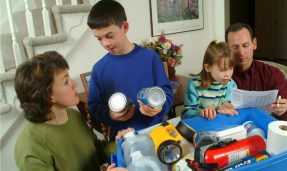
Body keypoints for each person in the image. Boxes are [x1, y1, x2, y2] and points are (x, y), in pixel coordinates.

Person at [87, 0, 173, 141]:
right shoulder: (99, 69)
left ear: (125, 26)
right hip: (123, 138)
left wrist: (159, 107)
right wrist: (110, 114)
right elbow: (94, 106)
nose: (105, 43)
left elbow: (166, 92)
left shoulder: (150, 58)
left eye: (109, 36)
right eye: (99, 38)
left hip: (154, 134)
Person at [14, 51, 112, 171]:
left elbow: (98, 153)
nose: (74, 84)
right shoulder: (30, 146)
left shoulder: (73, 115)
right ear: (47, 95)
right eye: (66, 82)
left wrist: (122, 142)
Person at [225, 23, 287, 123]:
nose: (241, 53)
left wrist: (283, 111)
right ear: (226, 48)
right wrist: (216, 108)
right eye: (235, 47)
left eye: (245, 45)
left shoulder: (273, 74)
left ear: (254, 44)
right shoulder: (218, 74)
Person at [182, 40, 238, 119]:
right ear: (207, 67)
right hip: (201, 126)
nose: (228, 74)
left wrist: (216, 109)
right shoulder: (194, 84)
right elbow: (186, 114)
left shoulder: (231, 84)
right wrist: (203, 113)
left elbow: (229, 108)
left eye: (231, 68)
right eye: (222, 70)